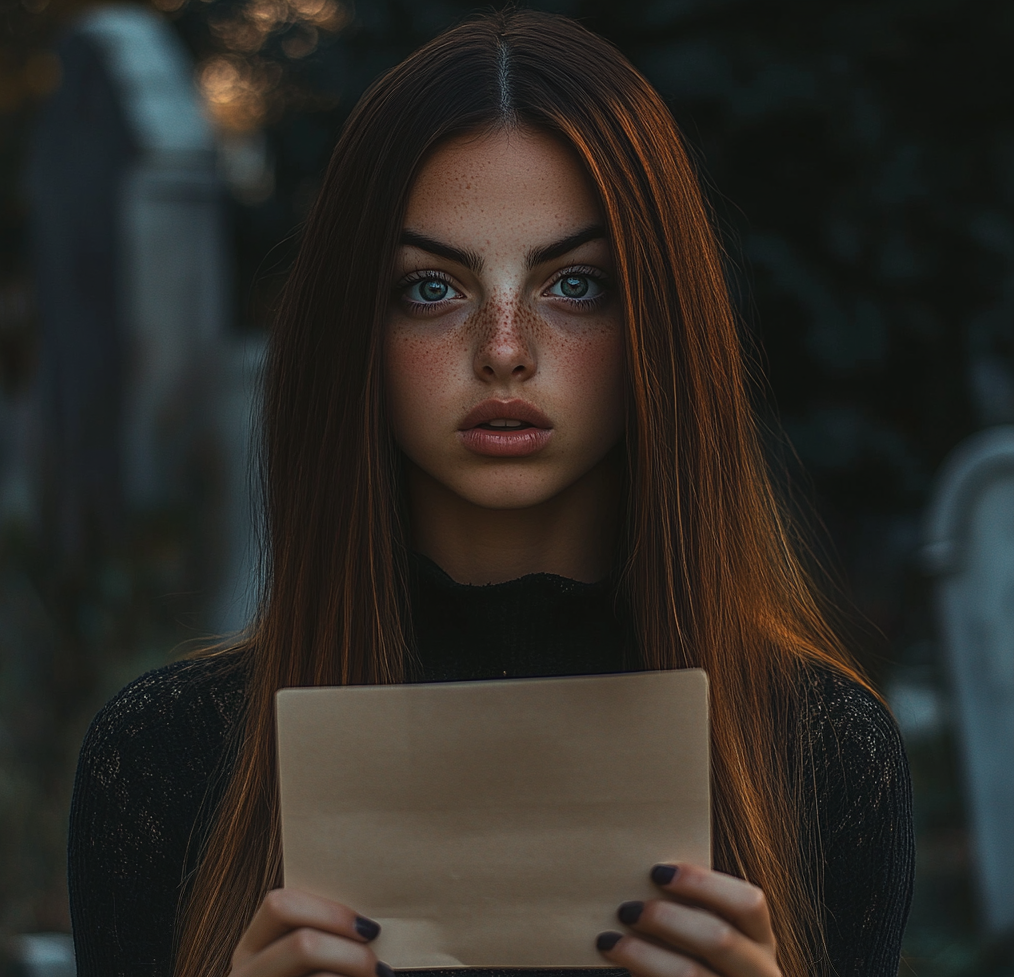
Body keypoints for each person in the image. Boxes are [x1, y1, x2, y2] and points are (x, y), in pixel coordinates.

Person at [68, 10, 914, 977]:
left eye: (577, 284)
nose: (504, 349)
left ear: (660, 324)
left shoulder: (822, 755)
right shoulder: (163, 761)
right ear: (356, 331)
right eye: (433, 287)